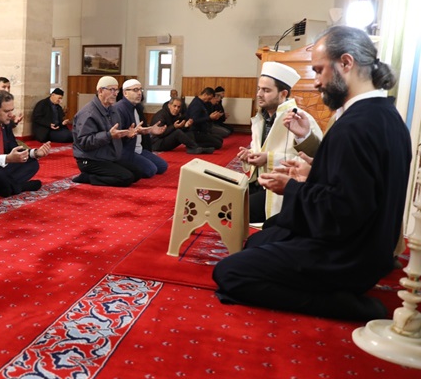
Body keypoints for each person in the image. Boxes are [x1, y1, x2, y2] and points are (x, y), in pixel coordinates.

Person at [213, 26, 412, 321]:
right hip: (371, 247)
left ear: (346, 63)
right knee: (261, 239)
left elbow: (344, 212)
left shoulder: (357, 126)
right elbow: (357, 186)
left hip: (348, 256)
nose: (317, 82)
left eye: (319, 71)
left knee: (230, 273)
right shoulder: (383, 115)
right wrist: (311, 173)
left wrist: (292, 187)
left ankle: (348, 306)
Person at [237, 62, 322, 223]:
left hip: (281, 190)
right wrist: (250, 156)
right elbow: (260, 152)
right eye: (259, 89)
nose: (259, 94)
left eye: (266, 90)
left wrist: (267, 159)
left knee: (236, 207)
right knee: (226, 197)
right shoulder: (261, 118)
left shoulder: (300, 119)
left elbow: (313, 163)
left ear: (283, 94)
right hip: (259, 182)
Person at [71, 76, 138, 187]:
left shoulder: (113, 109)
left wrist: (127, 134)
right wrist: (108, 135)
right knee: (126, 178)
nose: (115, 93)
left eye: (116, 90)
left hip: (107, 156)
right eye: (112, 90)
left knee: (137, 173)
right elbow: (84, 142)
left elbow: (115, 134)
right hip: (90, 159)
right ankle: (88, 177)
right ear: (100, 91)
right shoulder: (88, 113)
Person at [114, 79, 168, 178]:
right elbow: (116, 135)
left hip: (139, 149)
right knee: (151, 170)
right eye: (135, 90)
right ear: (125, 93)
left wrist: (150, 130)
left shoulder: (137, 107)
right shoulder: (119, 108)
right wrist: (129, 134)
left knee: (162, 166)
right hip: (127, 151)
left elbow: (138, 130)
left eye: (140, 90)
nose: (139, 93)